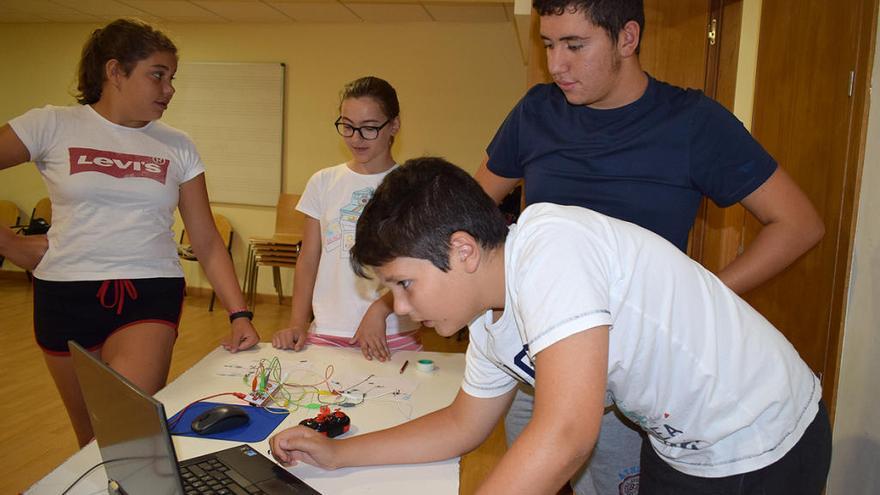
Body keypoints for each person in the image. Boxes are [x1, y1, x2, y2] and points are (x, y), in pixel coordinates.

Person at [269, 157, 831, 495]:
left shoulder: (551, 246)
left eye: (404, 283)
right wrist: (340, 452)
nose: (402, 306)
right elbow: (463, 426)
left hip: (764, 436)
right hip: (679, 446)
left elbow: (566, 434)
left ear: (462, 249)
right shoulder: (490, 323)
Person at [473, 1, 826, 492]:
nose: (557, 65)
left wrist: (705, 295)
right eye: (549, 45)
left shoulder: (692, 123)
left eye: (575, 45)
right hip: (539, 360)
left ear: (627, 38)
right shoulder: (537, 111)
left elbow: (798, 224)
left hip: (632, 382)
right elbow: (465, 216)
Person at [0, 18, 259, 447]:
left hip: (149, 289)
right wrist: (10, 244)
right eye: (157, 75)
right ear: (115, 71)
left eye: (172, 77)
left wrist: (239, 314)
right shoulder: (51, 125)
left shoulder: (177, 145)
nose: (169, 89)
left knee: (129, 434)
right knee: (91, 444)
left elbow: (207, 239)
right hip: (64, 293)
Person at [271, 76, 420, 361]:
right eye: (348, 126)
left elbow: (417, 269)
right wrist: (297, 322)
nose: (355, 138)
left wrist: (381, 309)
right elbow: (309, 259)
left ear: (394, 126)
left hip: (391, 333)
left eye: (369, 128)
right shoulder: (323, 181)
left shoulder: (410, 185)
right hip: (328, 329)